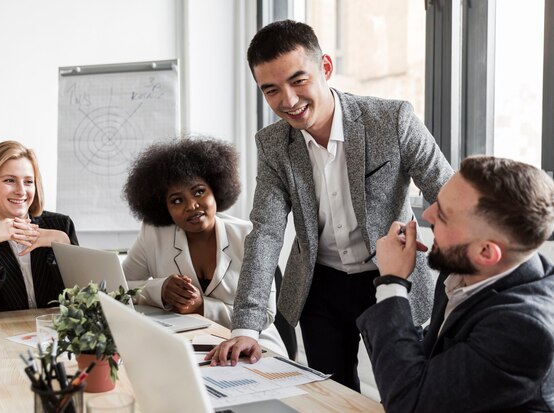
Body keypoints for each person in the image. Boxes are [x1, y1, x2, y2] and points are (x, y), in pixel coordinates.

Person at [207, 19, 454, 391]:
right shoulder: (273, 145)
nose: (288, 101)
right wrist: (246, 327)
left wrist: (465, 265)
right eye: (271, 90)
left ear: (324, 67)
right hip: (319, 287)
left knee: (406, 392)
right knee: (333, 397)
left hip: (389, 279)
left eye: (298, 81)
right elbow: (267, 231)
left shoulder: (392, 120)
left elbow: (449, 196)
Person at [357, 156, 554, 412]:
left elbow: (409, 404)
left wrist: (392, 283)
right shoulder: (462, 270)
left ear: (486, 252)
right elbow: (431, 355)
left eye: (444, 215)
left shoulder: (525, 330)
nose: (426, 215)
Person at [121, 137, 286, 355]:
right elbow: (118, 288)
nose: (191, 206)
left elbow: (264, 315)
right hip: (187, 346)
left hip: (251, 346)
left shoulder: (250, 236)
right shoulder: (154, 235)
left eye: (199, 192)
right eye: (177, 200)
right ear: (164, 208)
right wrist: (160, 290)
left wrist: (202, 307)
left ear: (215, 190)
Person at [0, 140, 78, 320]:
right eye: (10, 180)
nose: (21, 191)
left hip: (53, 336)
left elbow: (81, 303)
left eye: (28, 182)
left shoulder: (61, 226)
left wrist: (62, 243)